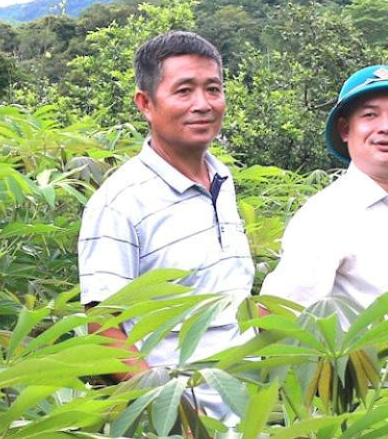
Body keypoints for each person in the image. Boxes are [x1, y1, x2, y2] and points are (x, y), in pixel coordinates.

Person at [76, 31, 254, 396]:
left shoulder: (223, 179)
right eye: (184, 90)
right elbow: (103, 327)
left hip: (251, 411)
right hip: (185, 422)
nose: (203, 104)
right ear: (145, 103)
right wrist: (171, 411)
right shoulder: (119, 202)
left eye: (213, 89)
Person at [260, 64, 388, 311]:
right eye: (370, 115)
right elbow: (279, 315)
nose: (386, 127)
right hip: (359, 350)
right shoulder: (325, 216)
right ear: (345, 130)